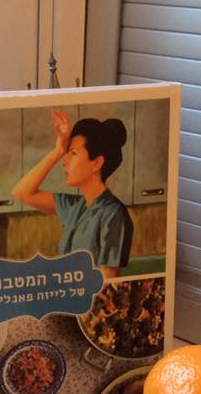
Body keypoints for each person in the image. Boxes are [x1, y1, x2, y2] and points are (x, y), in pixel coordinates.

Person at [11, 110, 133, 279]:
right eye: (66, 154)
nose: (64, 162)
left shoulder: (113, 213)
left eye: (73, 153)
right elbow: (21, 193)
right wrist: (57, 150)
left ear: (97, 163)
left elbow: (107, 281)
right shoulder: (75, 207)